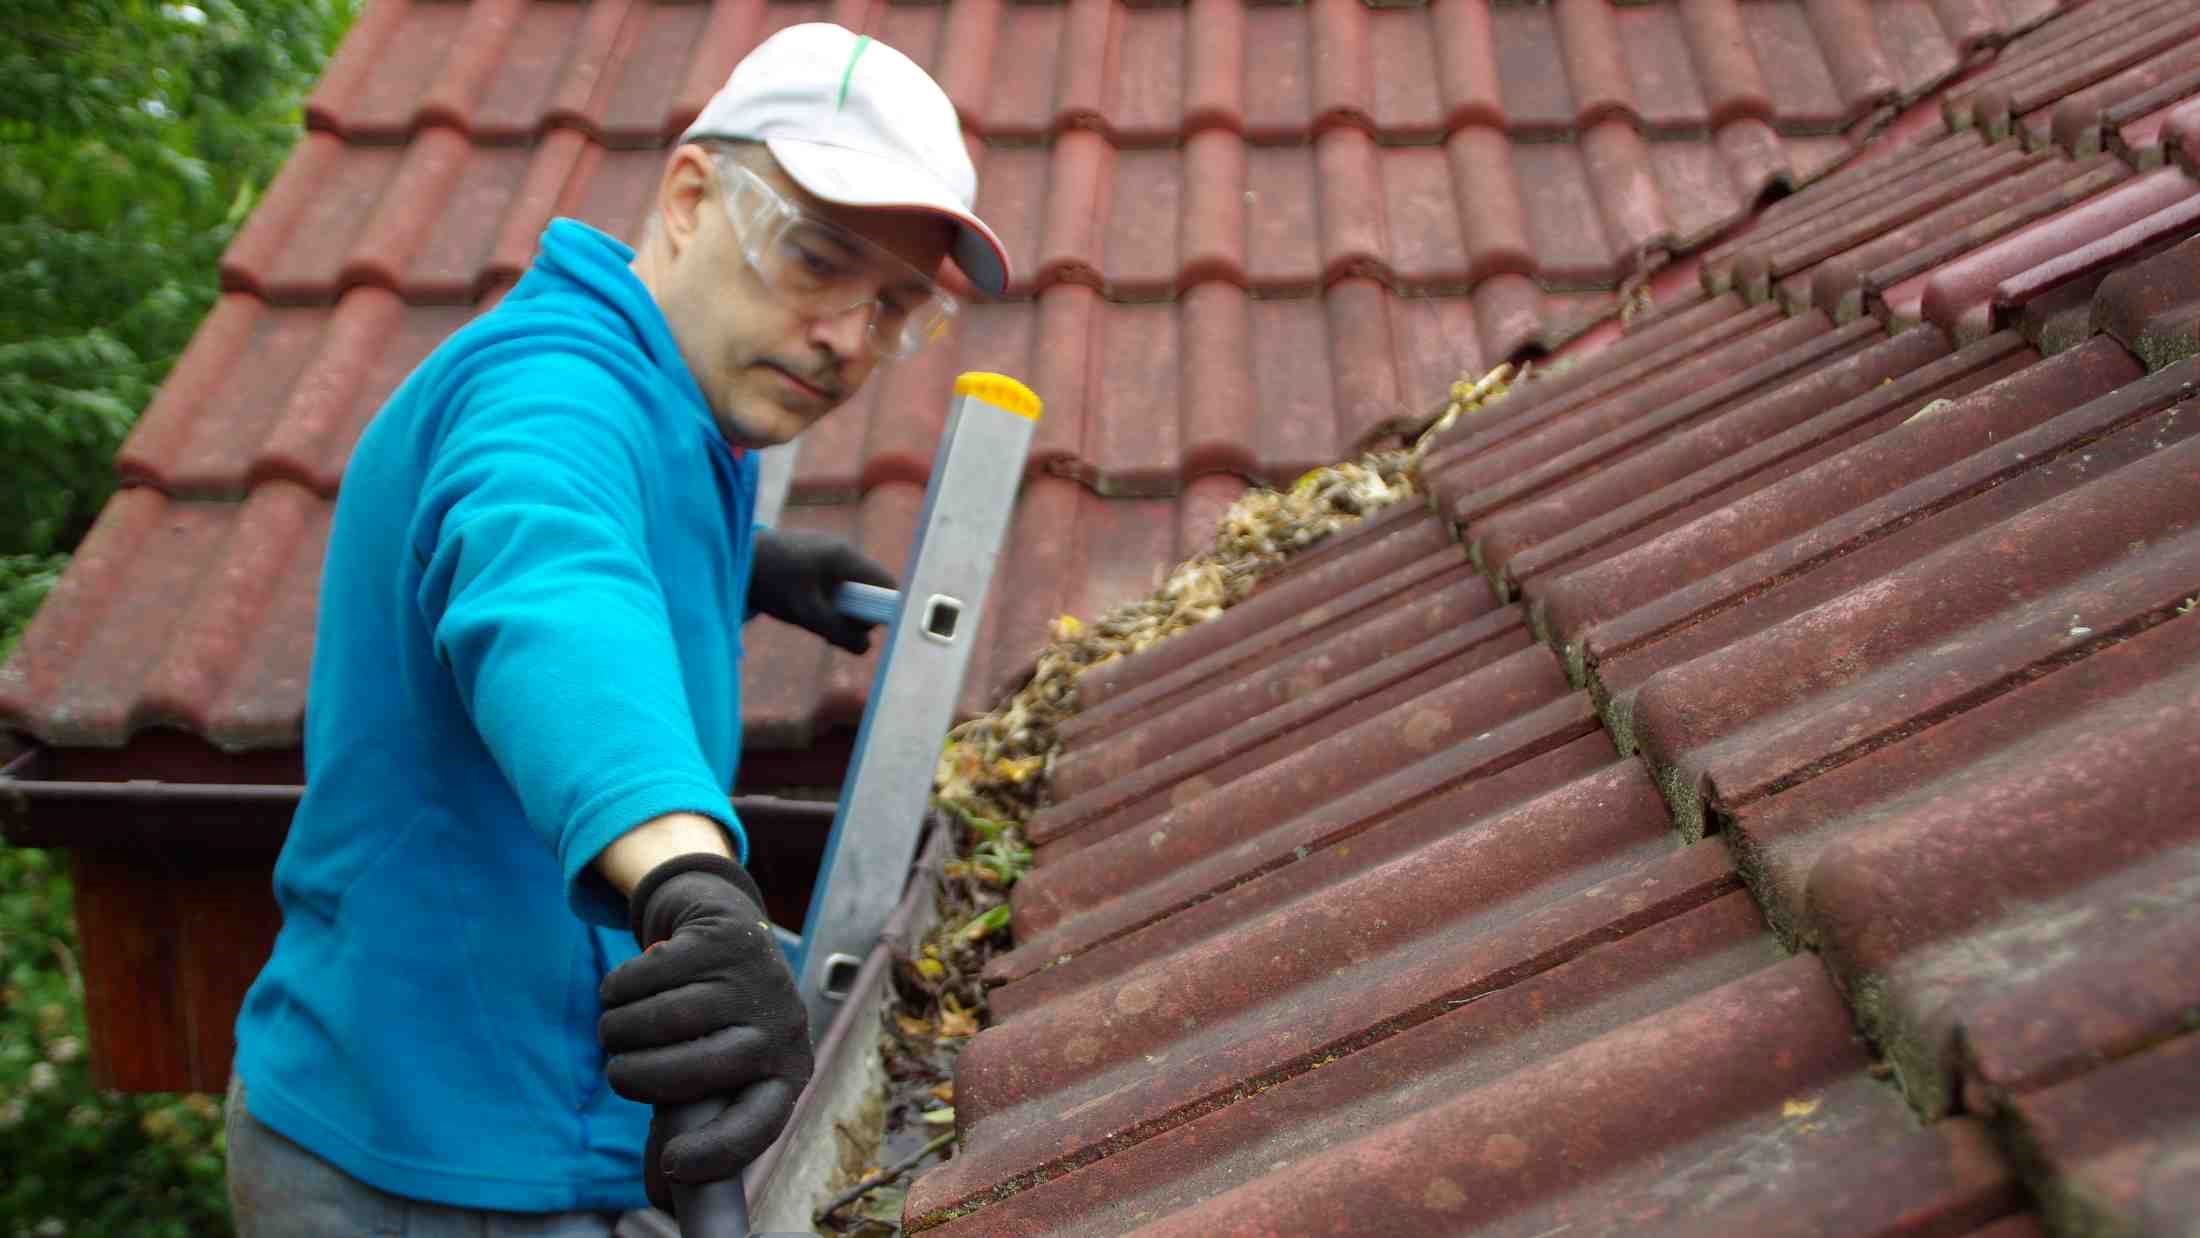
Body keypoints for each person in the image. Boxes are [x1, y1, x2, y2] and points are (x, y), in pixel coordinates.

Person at [223, 24, 1010, 1235]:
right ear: (692, 198)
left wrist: (747, 565)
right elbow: (551, 588)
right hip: (424, 1167)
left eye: (896, 307)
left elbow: (602, 538)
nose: (848, 340)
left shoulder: (679, 407)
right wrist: (694, 886)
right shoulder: (552, 389)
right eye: (815, 260)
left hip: (544, 1117)